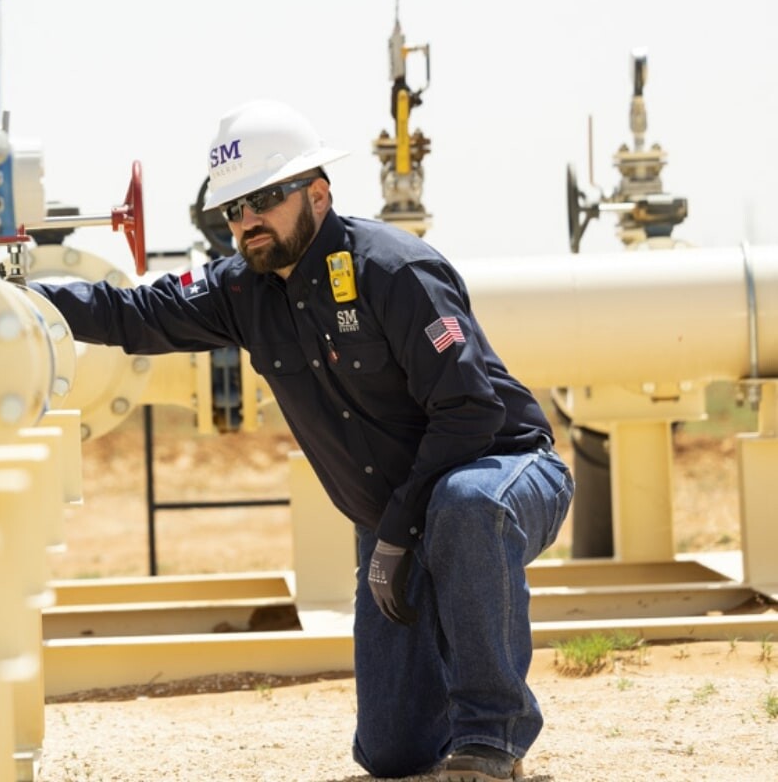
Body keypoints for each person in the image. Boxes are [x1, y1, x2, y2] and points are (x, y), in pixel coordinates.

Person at [29, 99, 574, 781]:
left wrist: (397, 534)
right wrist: (19, 294)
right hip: (397, 517)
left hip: (503, 470)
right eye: (234, 208)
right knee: (393, 753)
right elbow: (132, 313)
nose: (247, 220)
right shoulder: (239, 290)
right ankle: (449, 671)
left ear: (318, 194)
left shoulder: (393, 271)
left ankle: (492, 737)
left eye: (265, 199)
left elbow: (469, 413)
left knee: (465, 505)